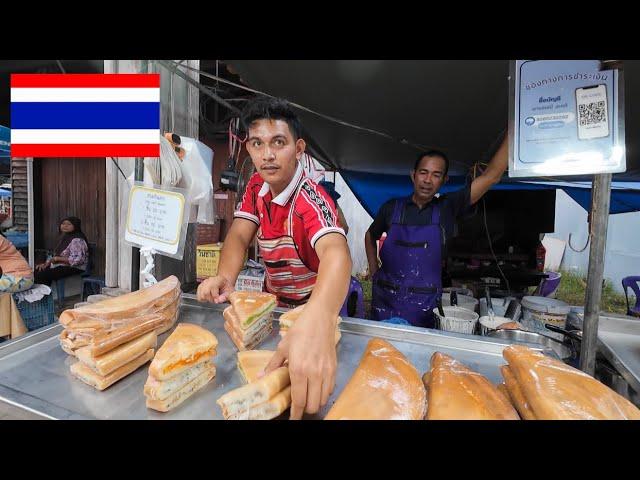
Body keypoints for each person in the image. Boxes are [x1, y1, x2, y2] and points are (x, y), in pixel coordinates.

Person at [197, 97, 352, 419]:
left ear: (298, 148)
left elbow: (337, 254)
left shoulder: (311, 198)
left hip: (318, 306)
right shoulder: (256, 185)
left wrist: (319, 319)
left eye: (278, 143)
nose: (267, 155)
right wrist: (225, 277)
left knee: (308, 395)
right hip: (277, 305)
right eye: (257, 143)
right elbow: (239, 235)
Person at [365, 133, 509, 328]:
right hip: (385, 300)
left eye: (436, 175)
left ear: (444, 180)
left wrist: (515, 126)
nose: (427, 180)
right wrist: (374, 270)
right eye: (423, 172)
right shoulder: (392, 208)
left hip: (423, 306)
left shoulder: (447, 208)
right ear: (413, 175)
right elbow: (370, 235)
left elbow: (492, 176)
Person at [35, 217, 89, 286]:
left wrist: (57, 259)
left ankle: (46, 294)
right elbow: (55, 255)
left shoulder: (77, 240)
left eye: (69, 224)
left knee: (43, 274)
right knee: (38, 270)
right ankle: (42, 294)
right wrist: (46, 264)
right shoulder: (65, 237)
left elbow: (78, 260)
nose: (65, 226)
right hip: (61, 265)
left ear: (75, 226)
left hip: (74, 267)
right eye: (63, 223)